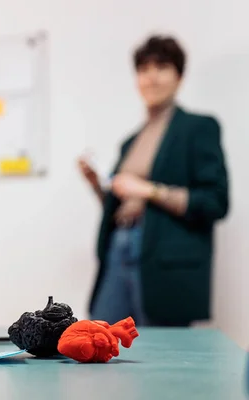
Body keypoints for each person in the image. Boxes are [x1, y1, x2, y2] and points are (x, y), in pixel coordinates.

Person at [79, 35, 229, 327]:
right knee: (101, 343)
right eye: (144, 69)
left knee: (160, 357)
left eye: (161, 67)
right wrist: (97, 184)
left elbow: (215, 201)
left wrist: (149, 190)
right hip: (118, 248)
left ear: (179, 76)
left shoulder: (197, 127)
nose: (151, 77)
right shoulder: (130, 142)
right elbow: (121, 207)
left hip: (163, 260)